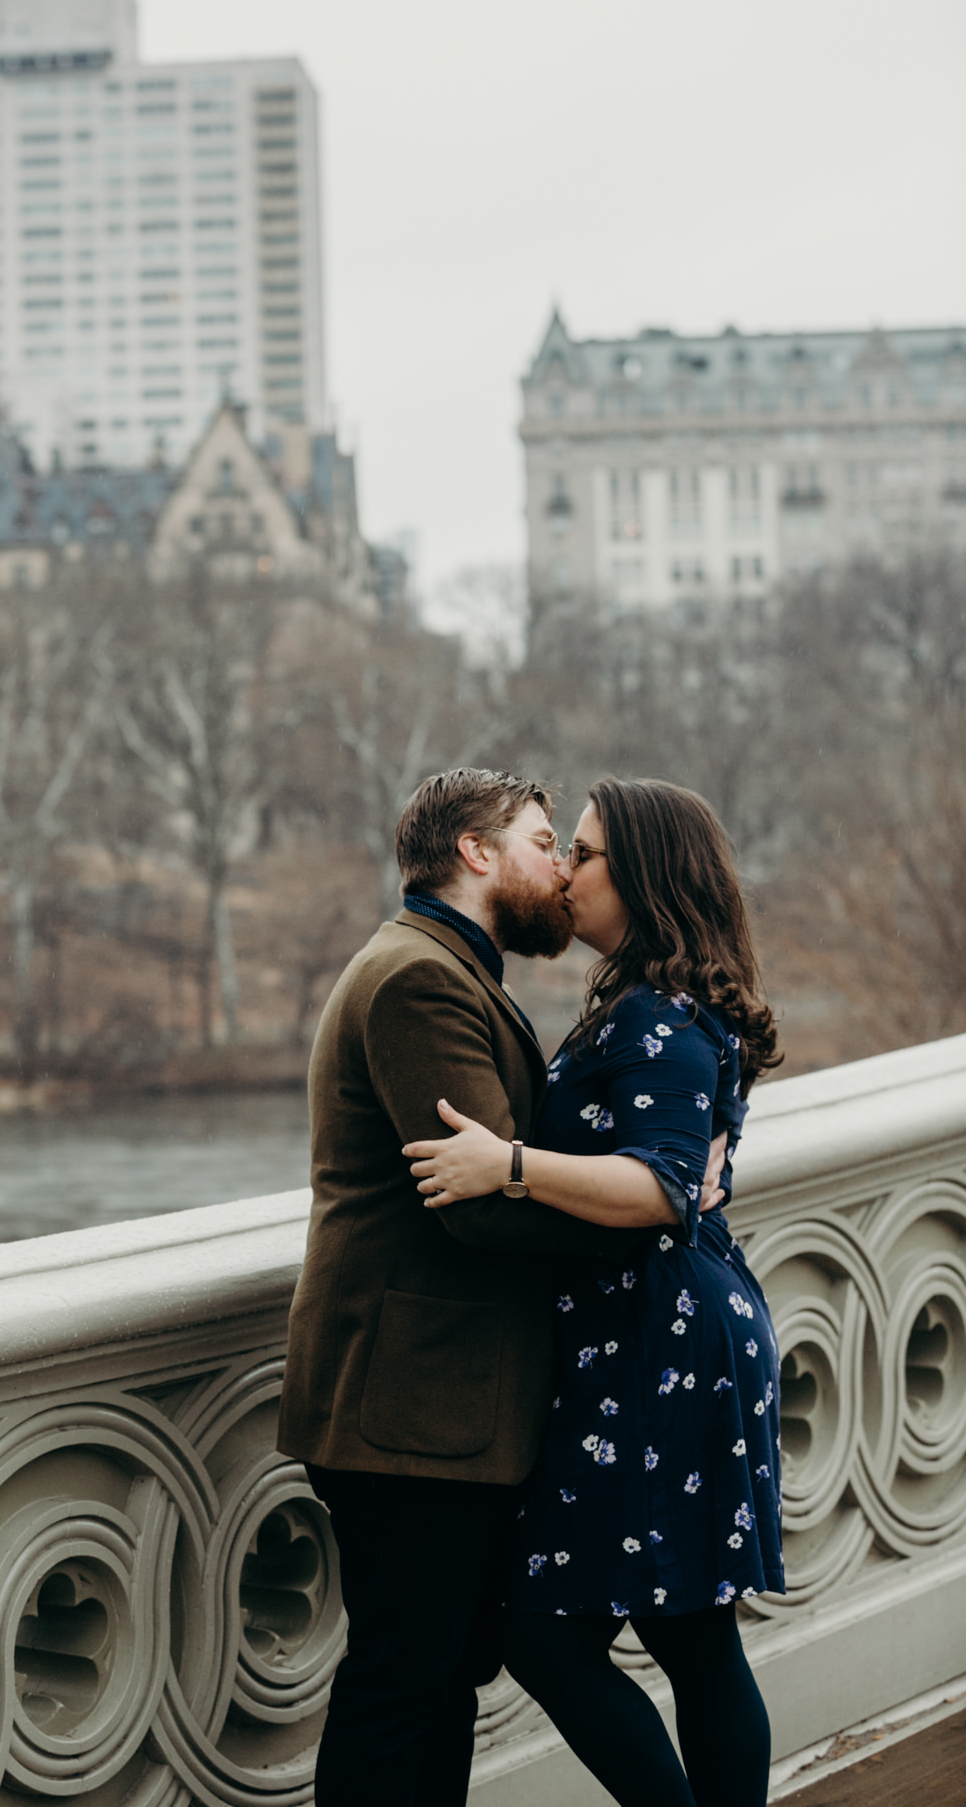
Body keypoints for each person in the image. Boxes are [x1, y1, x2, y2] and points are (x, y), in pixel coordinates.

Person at [275, 768, 725, 1807]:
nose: (559, 867)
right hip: (410, 1404)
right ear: (475, 853)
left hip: (443, 1405)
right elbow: (475, 1198)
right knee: (403, 1683)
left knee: (440, 1681)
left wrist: (643, 1184)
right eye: (538, 840)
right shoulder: (420, 979)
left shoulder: (452, 968)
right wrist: (648, 1208)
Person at [405, 777, 783, 1807]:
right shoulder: (651, 1002)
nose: (564, 872)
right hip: (658, 1329)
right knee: (689, 1630)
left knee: (552, 1634)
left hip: (656, 1341)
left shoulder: (656, 1014)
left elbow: (661, 1184)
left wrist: (510, 1164)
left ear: (648, 874)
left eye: (585, 853)